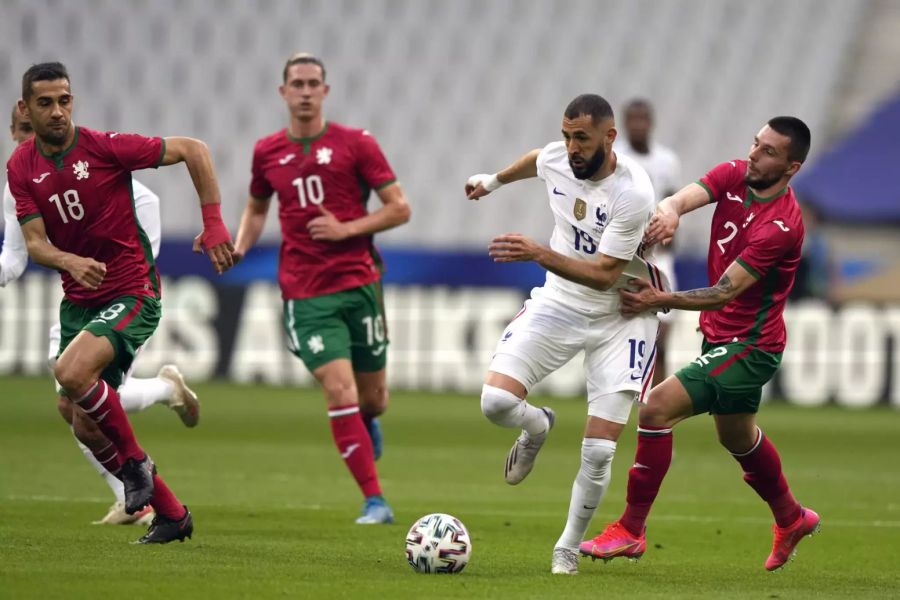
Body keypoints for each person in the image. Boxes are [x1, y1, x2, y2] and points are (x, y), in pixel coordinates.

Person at [7, 62, 234, 544]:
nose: (58, 112)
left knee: (69, 373)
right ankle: (173, 514)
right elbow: (34, 243)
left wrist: (213, 222)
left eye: (65, 100)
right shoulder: (20, 167)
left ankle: (134, 467)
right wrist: (69, 261)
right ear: (26, 109)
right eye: (45, 103)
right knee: (80, 421)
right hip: (80, 298)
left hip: (132, 291)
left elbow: (194, 149)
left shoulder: (103, 148)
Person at [579, 116, 820, 571]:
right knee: (738, 436)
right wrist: (668, 212)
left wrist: (659, 299)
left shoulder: (781, 227)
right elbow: (683, 197)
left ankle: (631, 530)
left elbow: (725, 291)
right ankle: (791, 518)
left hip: (749, 347)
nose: (754, 154)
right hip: (723, 338)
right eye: (756, 143)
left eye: (768, 151)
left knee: (655, 409)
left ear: (792, 167)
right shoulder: (735, 174)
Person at [465, 94, 668, 575]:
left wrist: (538, 252)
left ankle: (566, 548)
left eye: (582, 138)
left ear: (609, 138)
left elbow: (602, 274)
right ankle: (537, 425)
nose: (572, 147)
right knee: (494, 404)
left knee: (599, 451)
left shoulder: (633, 192)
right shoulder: (558, 156)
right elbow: (537, 161)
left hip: (622, 313)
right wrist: (492, 181)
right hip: (559, 303)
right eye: (567, 135)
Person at [234, 53, 410, 525]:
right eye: (298, 83)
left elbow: (399, 208)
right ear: (284, 92)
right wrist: (239, 246)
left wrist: (347, 227)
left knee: (373, 400)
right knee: (339, 389)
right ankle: (375, 499)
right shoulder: (266, 151)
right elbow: (255, 209)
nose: (306, 91)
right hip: (306, 292)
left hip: (360, 283)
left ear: (325, 91)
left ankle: (367, 420)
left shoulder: (357, 144)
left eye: (314, 83)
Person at [614, 98, 682, 386]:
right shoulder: (615, 158)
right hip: (627, 256)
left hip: (661, 255)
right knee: (623, 338)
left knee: (661, 339)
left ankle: (659, 404)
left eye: (643, 119)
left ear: (650, 123)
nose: (638, 125)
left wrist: (668, 237)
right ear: (624, 124)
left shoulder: (667, 161)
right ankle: (623, 395)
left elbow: (674, 202)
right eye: (632, 119)